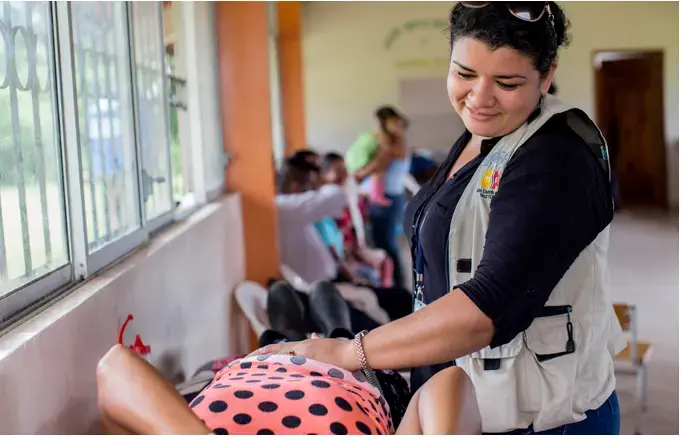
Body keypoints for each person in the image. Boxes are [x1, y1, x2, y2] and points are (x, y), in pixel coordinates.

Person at [259, 2, 626, 435]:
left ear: (547, 76)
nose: (480, 97)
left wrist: (349, 352)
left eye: (507, 82)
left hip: (536, 419)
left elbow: (487, 308)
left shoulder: (556, 155)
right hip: (453, 399)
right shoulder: (483, 132)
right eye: (464, 74)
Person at [95, 282, 481, 435]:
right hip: (351, 376)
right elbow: (450, 382)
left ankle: (285, 329)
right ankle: (331, 327)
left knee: (278, 331)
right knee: (336, 329)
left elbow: (115, 366)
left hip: (253, 366)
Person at [275, 157, 413, 329]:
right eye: (311, 185)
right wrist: (328, 180)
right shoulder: (283, 209)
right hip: (320, 293)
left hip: (334, 281)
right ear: (295, 187)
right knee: (391, 307)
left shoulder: (293, 212)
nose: (315, 189)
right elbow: (334, 198)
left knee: (401, 298)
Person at [348, 107, 411, 288]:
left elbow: (378, 164)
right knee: (382, 242)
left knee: (386, 245)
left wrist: (359, 174)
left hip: (388, 198)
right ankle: (392, 283)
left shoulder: (394, 142)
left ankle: (397, 287)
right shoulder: (391, 142)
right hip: (387, 196)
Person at [317, 153, 394, 287]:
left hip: (349, 252)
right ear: (323, 175)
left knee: (384, 264)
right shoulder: (325, 205)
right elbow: (336, 248)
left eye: (345, 170)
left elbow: (348, 233)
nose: (344, 175)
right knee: (376, 271)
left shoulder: (343, 201)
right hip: (341, 261)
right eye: (338, 171)